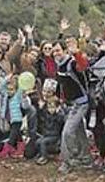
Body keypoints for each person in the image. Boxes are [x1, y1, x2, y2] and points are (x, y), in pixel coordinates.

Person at [54, 41, 94, 173]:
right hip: (70, 104)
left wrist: (76, 53)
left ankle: (68, 161)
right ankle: (86, 158)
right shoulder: (59, 66)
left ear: (65, 51)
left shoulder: (71, 63)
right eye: (54, 51)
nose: (56, 53)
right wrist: (60, 99)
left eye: (58, 50)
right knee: (79, 131)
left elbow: (82, 66)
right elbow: (62, 86)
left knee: (67, 132)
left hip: (81, 103)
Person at [33, 79, 65, 165]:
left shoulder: (58, 114)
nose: (50, 109)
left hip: (54, 135)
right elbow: (41, 118)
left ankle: (44, 157)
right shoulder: (44, 109)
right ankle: (41, 154)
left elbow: (61, 121)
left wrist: (58, 112)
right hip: (46, 134)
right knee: (38, 142)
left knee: (43, 142)